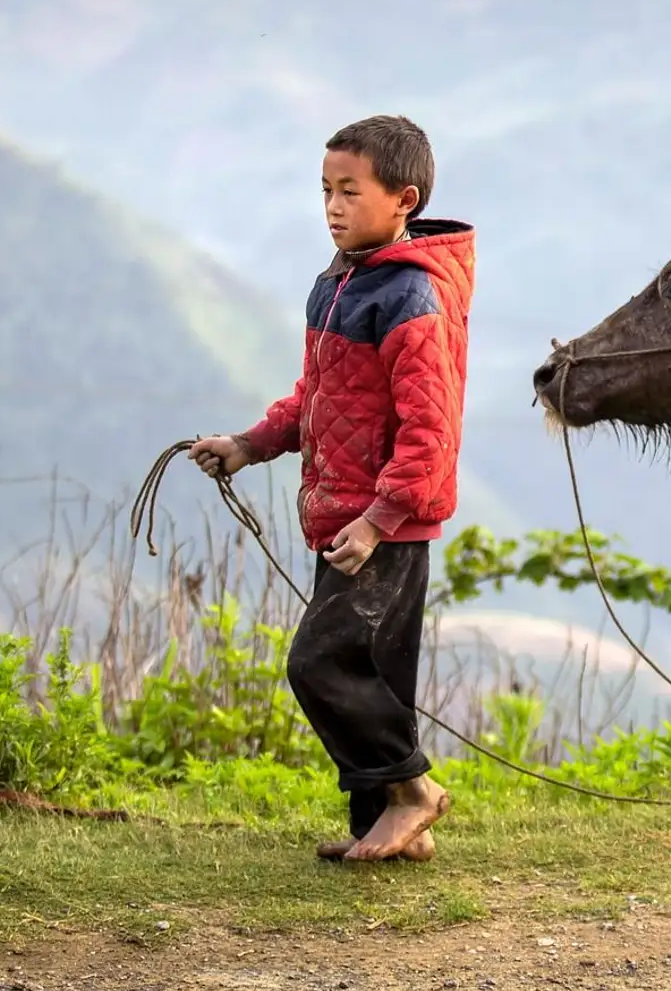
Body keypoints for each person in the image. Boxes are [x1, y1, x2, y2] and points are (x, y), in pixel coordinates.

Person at [188, 115, 474, 863]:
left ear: (403, 199)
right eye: (325, 190)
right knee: (375, 668)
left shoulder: (409, 296)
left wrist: (379, 519)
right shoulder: (338, 285)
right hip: (344, 517)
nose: (333, 205)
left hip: (383, 523)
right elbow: (315, 399)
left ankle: (413, 793)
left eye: (351, 191)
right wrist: (249, 444)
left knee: (319, 660)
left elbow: (429, 428)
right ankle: (386, 821)